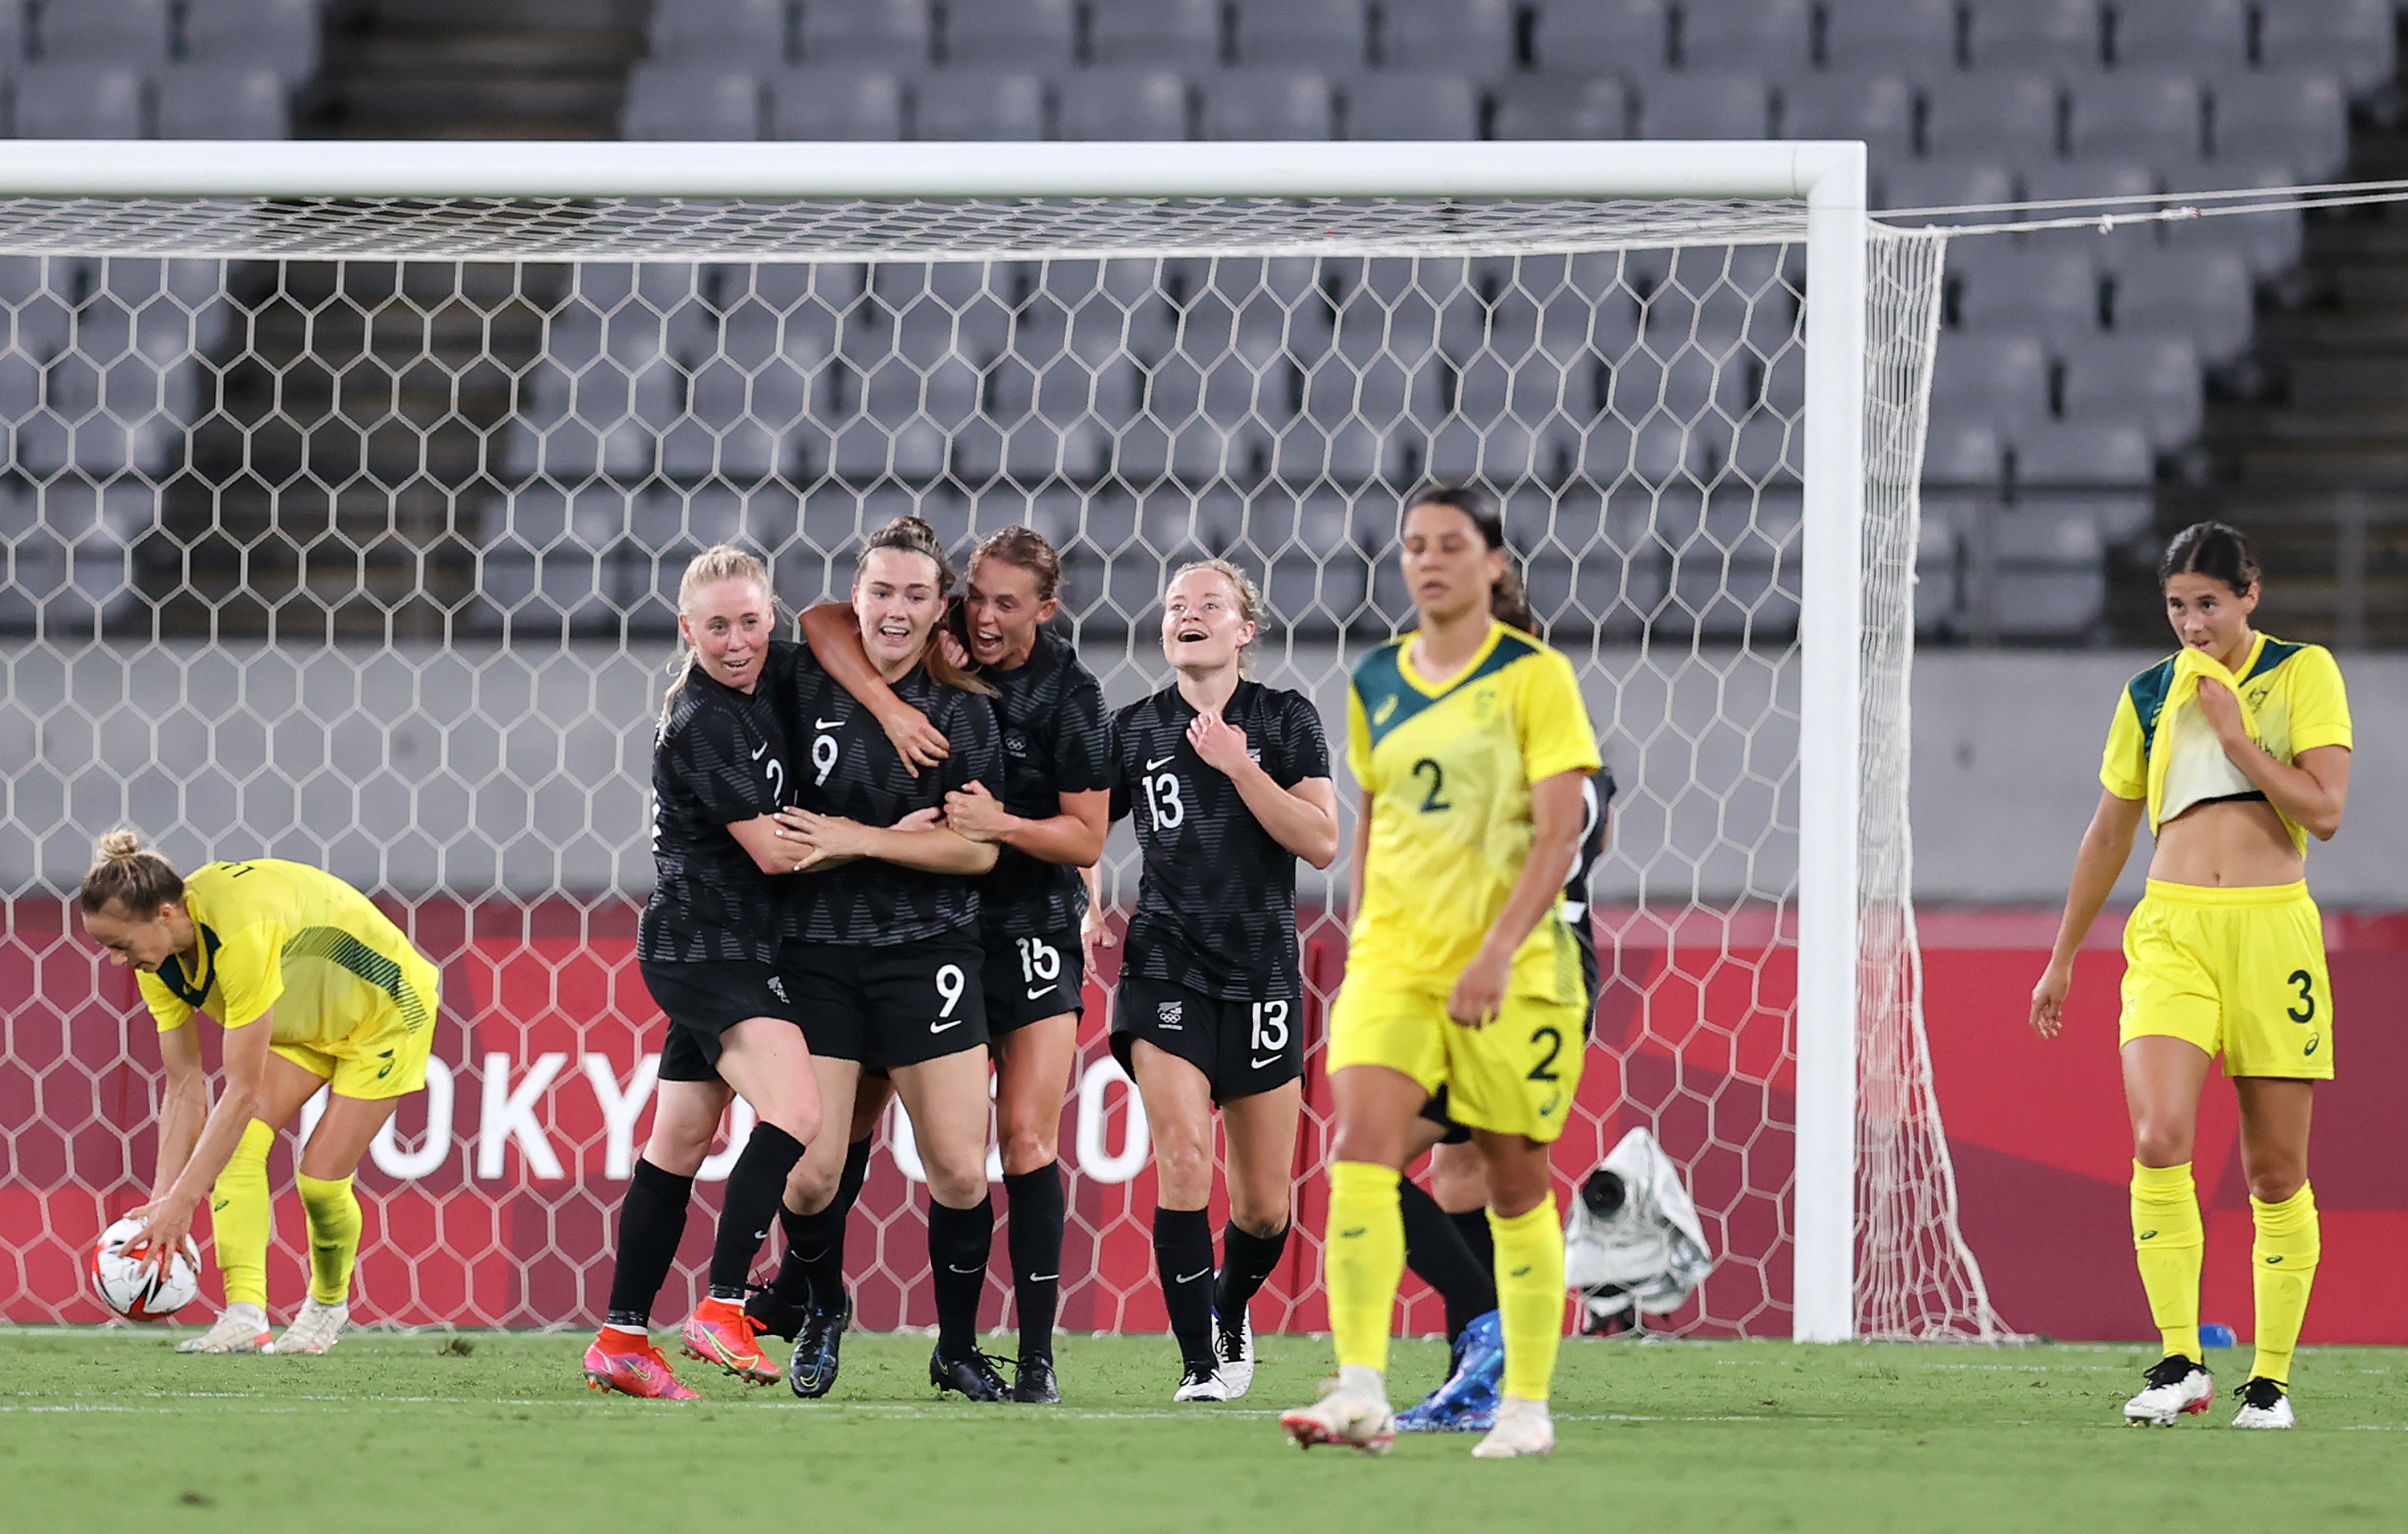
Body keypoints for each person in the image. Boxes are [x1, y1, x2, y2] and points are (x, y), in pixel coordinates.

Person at [1281, 486, 1600, 1459]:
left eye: (1451, 544)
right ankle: (1362, 1390)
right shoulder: (1376, 678)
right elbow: (1376, 816)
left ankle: (1527, 1407)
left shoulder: (1536, 679)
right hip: (1396, 964)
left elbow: (1563, 832)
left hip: (1512, 969)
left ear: (1493, 563)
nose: (1429, 560)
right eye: (1414, 544)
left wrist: (1498, 950)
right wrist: (1369, 932)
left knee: (1511, 1183)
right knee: (1360, 1159)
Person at [2029, 522, 2351, 1431]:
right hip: (2171, 930)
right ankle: (2180, 1360)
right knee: (2159, 1134)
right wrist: (2062, 959)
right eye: (2177, 605)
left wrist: (2239, 740)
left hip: (2272, 934)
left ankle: (2271, 1381)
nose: (2192, 623)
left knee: (2275, 1170)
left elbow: (2325, 812)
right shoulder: (2145, 695)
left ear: (2250, 594)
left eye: (2209, 602)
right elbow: (2109, 833)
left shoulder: (2302, 674)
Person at [763, 516, 1011, 1402]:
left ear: (941, 606)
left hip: (927, 954)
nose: (894, 612)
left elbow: (977, 852)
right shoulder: (801, 681)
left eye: (914, 595)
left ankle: (955, 1346)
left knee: (956, 1166)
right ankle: (823, 1306)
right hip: (818, 953)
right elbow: (812, 618)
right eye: (880, 591)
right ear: (857, 595)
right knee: (812, 1168)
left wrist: (855, 841)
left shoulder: (967, 713)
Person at [584, 544, 824, 1399]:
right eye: (716, 626)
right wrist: (885, 843)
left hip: (734, 943)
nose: (736, 641)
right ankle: (723, 1306)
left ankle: (619, 1338)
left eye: (751, 621)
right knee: (796, 1110)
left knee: (678, 1143)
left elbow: (836, 629)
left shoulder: (772, 675)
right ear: (686, 630)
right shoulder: (703, 722)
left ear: (771, 616)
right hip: (704, 944)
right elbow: (769, 850)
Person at [1096, 558, 1339, 1402]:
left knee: (1266, 1209)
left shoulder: (1284, 719)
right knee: (1184, 1156)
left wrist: (1239, 765)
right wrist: (1086, 892)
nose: (1187, 615)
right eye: (1174, 606)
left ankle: (1231, 1312)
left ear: (1245, 630)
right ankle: (1200, 1364)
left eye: (1209, 604)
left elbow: (1321, 841)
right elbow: (1083, 827)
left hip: (1265, 975)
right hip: (1166, 963)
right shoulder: (1130, 730)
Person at [77, 832, 441, 1357]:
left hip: (387, 1012)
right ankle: (244, 1315)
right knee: (239, 1147)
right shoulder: (157, 964)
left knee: (318, 1179)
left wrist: (185, 1202)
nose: (115, 961)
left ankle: (326, 1305)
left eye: (119, 944)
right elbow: (183, 1087)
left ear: (162, 914)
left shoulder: (240, 927)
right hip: (303, 1020)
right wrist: (164, 1200)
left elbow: (241, 1092)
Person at [1397, 765, 1613, 1434]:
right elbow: (1596, 844)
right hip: (1563, 971)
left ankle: (1487, 1330)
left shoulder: (1494, 746)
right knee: (1468, 1179)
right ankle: (1479, 1386)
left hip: (1503, 976)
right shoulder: (1589, 764)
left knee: (1368, 1161)